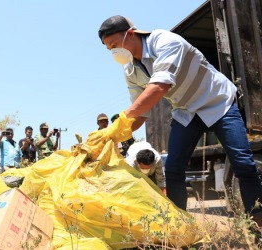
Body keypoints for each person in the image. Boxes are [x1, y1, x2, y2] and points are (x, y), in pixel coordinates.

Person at [98, 15, 262, 224]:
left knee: (243, 163)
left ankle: (258, 221)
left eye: (114, 44)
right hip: (186, 112)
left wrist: (119, 123)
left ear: (130, 34)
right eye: (108, 48)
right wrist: (114, 136)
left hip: (218, 102)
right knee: (174, 169)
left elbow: (160, 86)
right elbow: (140, 111)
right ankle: (178, 226)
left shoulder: (165, 41)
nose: (113, 52)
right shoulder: (130, 69)